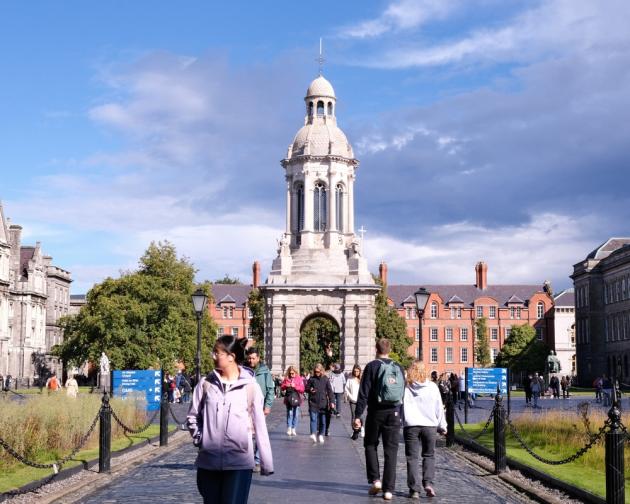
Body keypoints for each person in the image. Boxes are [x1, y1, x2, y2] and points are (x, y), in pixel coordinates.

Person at [187, 335, 273, 504]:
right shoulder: (206, 384)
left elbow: (260, 426)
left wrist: (266, 462)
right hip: (209, 461)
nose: (212, 356)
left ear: (231, 357)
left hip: (239, 462)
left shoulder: (251, 387)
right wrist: (202, 439)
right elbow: (192, 416)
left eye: (216, 353)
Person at [353, 339, 405, 501]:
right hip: (394, 413)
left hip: (375, 412)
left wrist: (357, 415)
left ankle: (376, 480)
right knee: (391, 451)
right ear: (390, 349)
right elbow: (403, 393)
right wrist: (400, 415)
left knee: (370, 444)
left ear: (376, 349)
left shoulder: (371, 366)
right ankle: (389, 490)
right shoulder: (398, 367)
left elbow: (363, 393)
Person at [402, 361, 447, 499]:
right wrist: (443, 426)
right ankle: (428, 483)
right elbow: (439, 408)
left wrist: (400, 422)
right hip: (429, 426)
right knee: (429, 455)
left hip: (411, 426)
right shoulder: (432, 387)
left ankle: (414, 489)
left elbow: (400, 405)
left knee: (412, 457)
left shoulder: (407, 387)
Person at [246, 347, 274, 472]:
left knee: (258, 433)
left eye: (253, 358)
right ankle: (248, 458)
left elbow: (270, 389)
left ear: (258, 358)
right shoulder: (243, 370)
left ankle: (257, 460)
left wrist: (268, 406)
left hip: (260, 407)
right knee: (245, 433)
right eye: (249, 358)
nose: (251, 360)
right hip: (245, 407)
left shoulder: (264, 372)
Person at [306, 363, 334, 444]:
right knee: (313, 419)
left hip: (323, 403)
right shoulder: (311, 379)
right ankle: (313, 434)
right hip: (313, 402)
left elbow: (330, 391)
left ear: (321, 371)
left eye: (318, 372)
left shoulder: (325, 379)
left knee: (323, 421)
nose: (316, 373)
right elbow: (306, 388)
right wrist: (310, 390)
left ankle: (321, 434)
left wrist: (332, 402)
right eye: (315, 372)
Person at [280, 365, 304, 436]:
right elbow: (282, 387)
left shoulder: (299, 379)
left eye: (293, 373)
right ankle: (289, 428)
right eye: (290, 373)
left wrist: (295, 386)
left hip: (297, 398)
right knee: (289, 413)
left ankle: (294, 428)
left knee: (296, 414)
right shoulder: (286, 378)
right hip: (288, 398)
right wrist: (285, 385)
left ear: (296, 372)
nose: (291, 375)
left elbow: (302, 389)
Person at [345, 364, 363, 437]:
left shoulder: (362, 380)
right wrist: (349, 396)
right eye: (355, 371)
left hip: (360, 400)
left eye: (357, 371)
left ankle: (361, 427)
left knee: (360, 415)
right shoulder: (350, 379)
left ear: (360, 372)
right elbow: (346, 389)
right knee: (354, 415)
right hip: (352, 400)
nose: (356, 373)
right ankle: (355, 430)